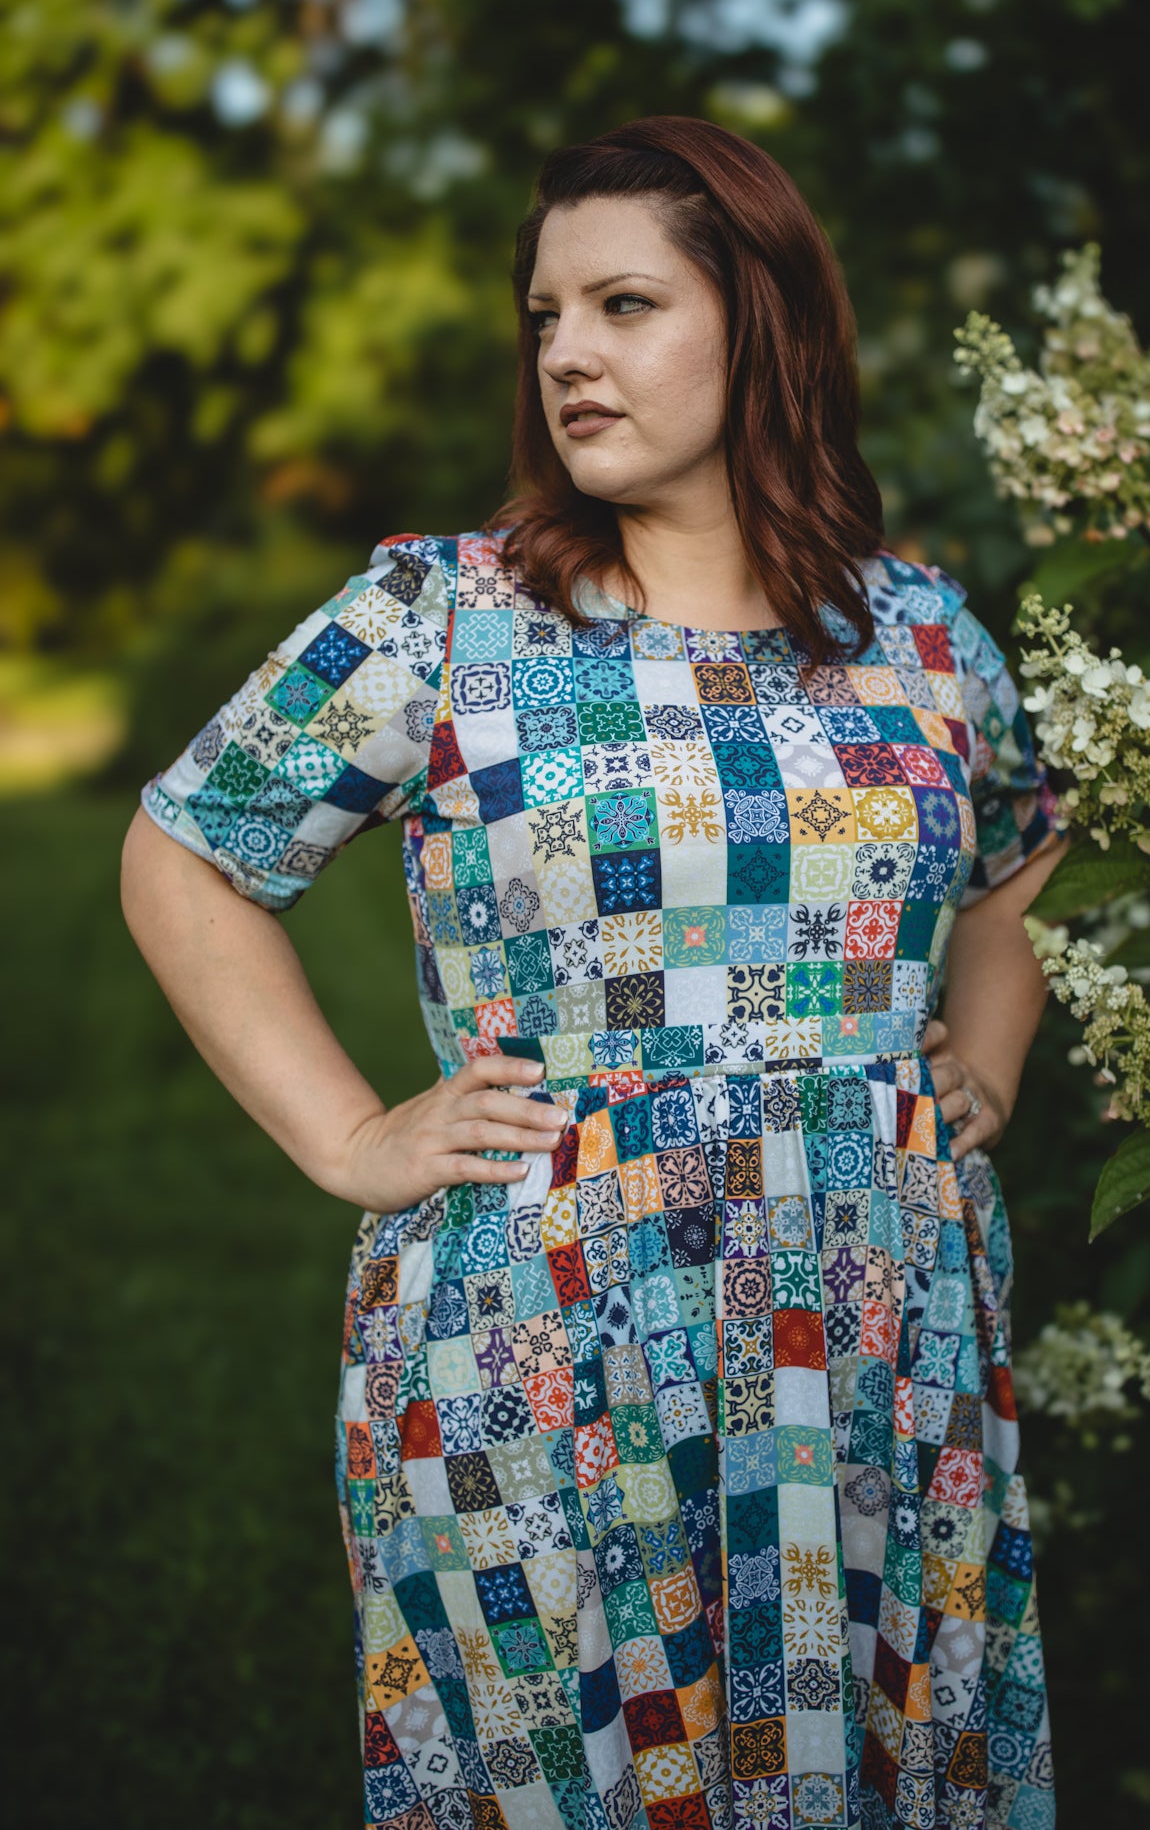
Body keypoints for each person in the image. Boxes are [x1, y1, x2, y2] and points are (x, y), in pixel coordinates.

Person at [123, 115, 1064, 1830]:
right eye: (544, 316)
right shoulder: (444, 617)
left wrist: (979, 1067)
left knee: (865, 1756)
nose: (566, 353)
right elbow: (188, 849)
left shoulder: (921, 633)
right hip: (545, 1330)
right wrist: (345, 1137)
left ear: (761, 321)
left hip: (871, 1327)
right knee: (571, 1770)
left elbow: (1017, 862)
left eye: (622, 305)